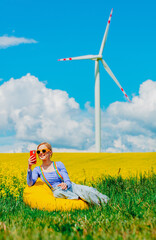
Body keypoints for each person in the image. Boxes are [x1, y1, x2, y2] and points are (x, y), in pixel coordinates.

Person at [27, 142, 109, 206]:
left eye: (43, 151)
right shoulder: (37, 169)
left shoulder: (59, 164)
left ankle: (106, 204)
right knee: (58, 193)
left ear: (50, 152)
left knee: (89, 190)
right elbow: (30, 183)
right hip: (57, 191)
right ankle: (78, 198)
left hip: (69, 187)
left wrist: (66, 184)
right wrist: (29, 167)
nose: (41, 153)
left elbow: (67, 180)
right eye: (38, 152)